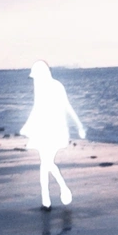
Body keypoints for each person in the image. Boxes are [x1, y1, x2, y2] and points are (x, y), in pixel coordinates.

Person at [21, 60, 86, 210]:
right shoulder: (44, 87)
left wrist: (79, 126)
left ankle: (58, 192)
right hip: (44, 130)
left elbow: (67, 106)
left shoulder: (56, 86)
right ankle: (47, 200)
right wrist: (28, 126)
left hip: (55, 131)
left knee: (46, 164)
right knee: (45, 164)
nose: (35, 80)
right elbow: (37, 109)